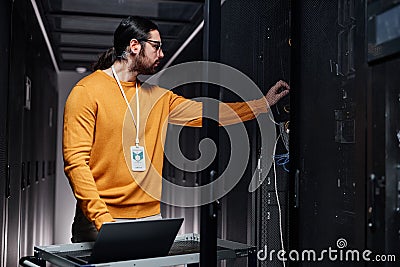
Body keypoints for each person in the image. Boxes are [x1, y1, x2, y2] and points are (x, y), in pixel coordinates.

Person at [63, 16, 289, 242]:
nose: (161, 54)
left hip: (149, 218)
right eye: (156, 46)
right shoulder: (86, 92)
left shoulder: (158, 97)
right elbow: (75, 162)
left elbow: (210, 113)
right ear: (134, 46)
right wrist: (102, 219)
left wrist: (261, 105)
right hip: (99, 221)